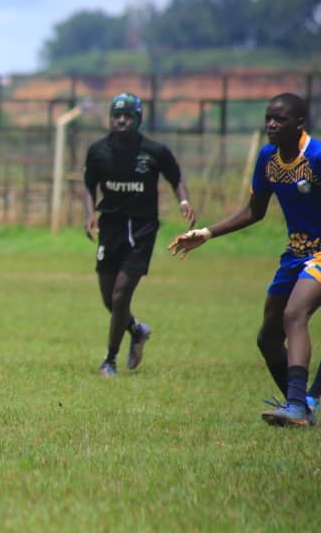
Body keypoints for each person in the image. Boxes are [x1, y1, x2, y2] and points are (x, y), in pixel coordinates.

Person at [169, 92, 321, 427]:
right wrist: (206, 234)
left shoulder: (317, 155)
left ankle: (297, 405)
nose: (270, 124)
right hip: (295, 253)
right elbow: (255, 210)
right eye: (268, 117)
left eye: (279, 119)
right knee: (267, 337)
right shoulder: (268, 158)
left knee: (294, 314)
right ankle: (303, 407)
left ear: (299, 123)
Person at [83, 92, 196, 378]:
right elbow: (88, 186)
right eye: (117, 115)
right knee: (109, 299)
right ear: (111, 117)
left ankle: (109, 360)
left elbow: (176, 178)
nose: (121, 120)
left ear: (138, 119)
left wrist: (184, 201)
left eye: (128, 116)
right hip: (110, 227)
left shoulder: (154, 151)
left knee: (121, 296)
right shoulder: (98, 151)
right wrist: (89, 215)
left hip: (142, 229)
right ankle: (137, 330)